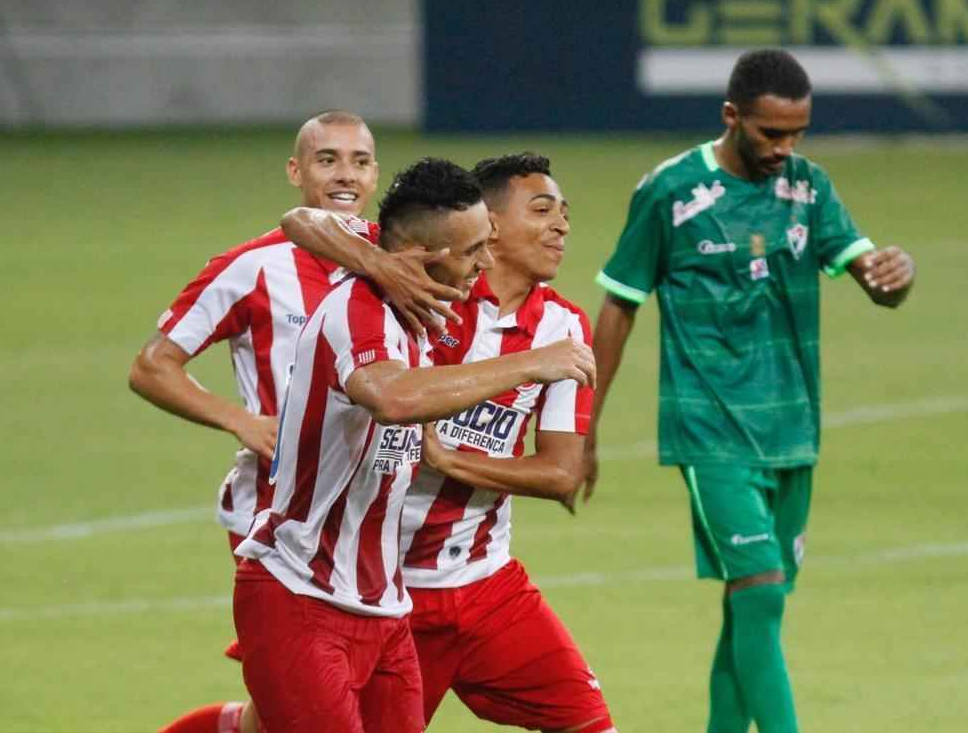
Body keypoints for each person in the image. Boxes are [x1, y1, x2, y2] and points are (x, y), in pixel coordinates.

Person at [587, 49, 915, 733]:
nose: (785, 148)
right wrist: (584, 426)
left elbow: (876, 282)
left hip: (793, 428)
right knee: (761, 594)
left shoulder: (809, 187)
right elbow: (619, 303)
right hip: (710, 429)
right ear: (732, 117)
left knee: (752, 606)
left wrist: (897, 273)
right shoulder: (670, 191)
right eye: (771, 133)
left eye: (798, 132)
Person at [231, 156, 596, 733]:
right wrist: (532, 365)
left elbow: (560, 472)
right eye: (476, 247)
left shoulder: (438, 303)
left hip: (387, 604)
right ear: (425, 256)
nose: (485, 258)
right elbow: (393, 397)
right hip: (303, 590)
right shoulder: (361, 308)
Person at [128, 110, 462, 733]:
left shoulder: (400, 263)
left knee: (291, 710)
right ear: (295, 170)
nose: (345, 174)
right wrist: (241, 420)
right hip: (275, 515)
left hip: (370, 514)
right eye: (326, 159)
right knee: (302, 704)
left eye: (360, 161)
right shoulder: (252, 268)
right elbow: (153, 366)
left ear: (376, 174)